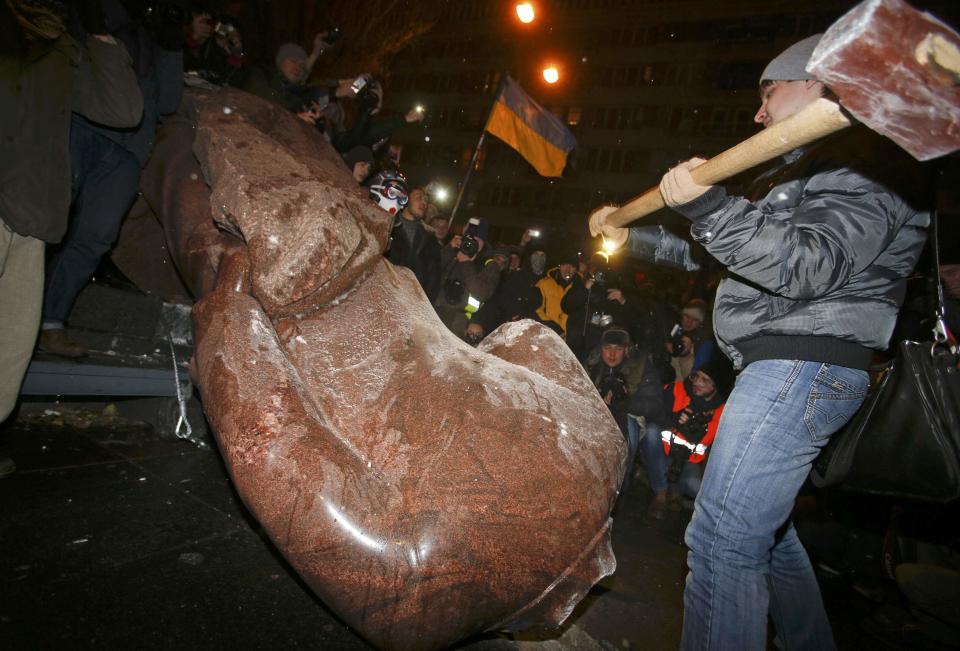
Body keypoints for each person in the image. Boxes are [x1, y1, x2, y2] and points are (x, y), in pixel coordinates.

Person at [590, 33, 929, 649]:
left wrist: (714, 208)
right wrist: (627, 231)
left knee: (721, 538)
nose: (758, 111)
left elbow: (810, 266)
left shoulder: (868, 158)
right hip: (781, 365)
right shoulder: (804, 167)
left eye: (768, 91)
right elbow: (715, 257)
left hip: (804, 362)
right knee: (767, 538)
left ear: (818, 82)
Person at [1, 0, 142, 423]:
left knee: (10, 351)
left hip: (31, 216)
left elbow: (123, 110)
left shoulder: (61, 44)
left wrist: (100, 36)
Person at [38, 0, 183, 358]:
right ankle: (16, 315)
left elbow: (168, 100)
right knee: (43, 223)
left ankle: (49, 323)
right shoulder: (102, 11)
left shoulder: (151, 35)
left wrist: (171, 43)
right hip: (79, 125)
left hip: (128, 148)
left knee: (96, 237)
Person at [640, 349, 732, 520]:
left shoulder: (722, 412)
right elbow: (652, 413)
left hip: (689, 462)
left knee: (697, 488)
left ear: (715, 387)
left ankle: (676, 493)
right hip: (662, 453)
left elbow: (717, 450)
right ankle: (660, 494)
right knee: (651, 431)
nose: (697, 382)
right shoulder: (677, 390)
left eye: (705, 380)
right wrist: (675, 419)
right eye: (696, 376)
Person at [587, 326, 662, 493]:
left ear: (626, 350)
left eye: (618, 349)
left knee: (628, 435)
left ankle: (620, 487)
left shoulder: (641, 365)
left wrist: (625, 402)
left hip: (632, 416)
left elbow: (655, 404)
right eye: (607, 348)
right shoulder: (592, 364)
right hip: (596, 414)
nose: (612, 354)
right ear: (601, 349)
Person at [382, 178, 441, 302]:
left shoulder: (430, 238)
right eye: (419, 197)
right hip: (386, 295)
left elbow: (433, 278)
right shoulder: (388, 227)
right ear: (406, 199)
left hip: (413, 303)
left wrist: (425, 305)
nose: (423, 202)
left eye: (426, 200)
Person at [535, 249, 579, 338]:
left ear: (576, 269)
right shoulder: (544, 283)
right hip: (548, 336)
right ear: (559, 266)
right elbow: (536, 310)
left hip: (572, 340)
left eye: (572, 266)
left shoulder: (581, 287)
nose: (567, 269)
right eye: (564, 265)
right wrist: (555, 330)